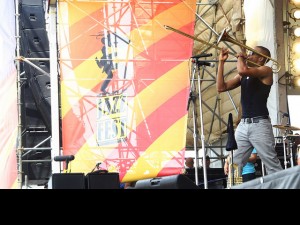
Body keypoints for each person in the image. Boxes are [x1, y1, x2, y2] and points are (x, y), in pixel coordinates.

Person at [217, 46, 283, 175]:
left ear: (261, 58)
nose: (248, 55)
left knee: (271, 164)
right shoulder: (244, 75)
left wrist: (241, 57)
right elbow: (221, 87)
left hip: (260, 125)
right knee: (234, 164)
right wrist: (221, 62)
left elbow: (242, 70)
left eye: (251, 53)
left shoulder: (266, 70)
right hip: (243, 125)